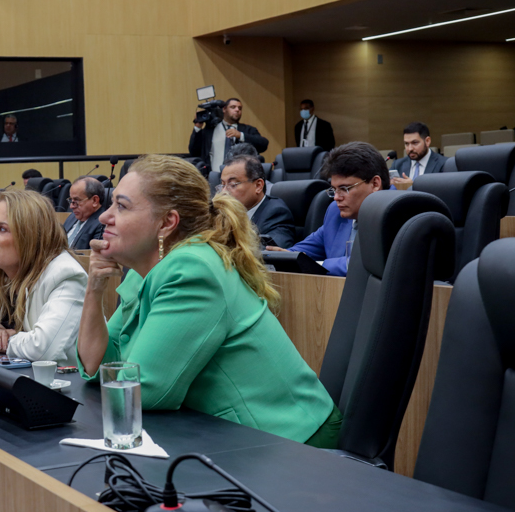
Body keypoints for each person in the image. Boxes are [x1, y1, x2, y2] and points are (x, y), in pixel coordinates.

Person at [77, 154, 339, 446]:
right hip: (226, 439)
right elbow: (95, 365)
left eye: (121, 206)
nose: (104, 217)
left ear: (167, 223)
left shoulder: (191, 267)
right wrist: (95, 287)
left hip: (291, 442)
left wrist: (114, 373)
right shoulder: (145, 271)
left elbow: (143, 391)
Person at [0, 190, 87, 363]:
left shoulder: (66, 276)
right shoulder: (6, 274)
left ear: (29, 236)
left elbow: (43, 349)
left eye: (2, 229)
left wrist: (9, 341)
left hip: (65, 385)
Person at [278, 142, 389, 277]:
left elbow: (365, 265)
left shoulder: (395, 213)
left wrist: (317, 265)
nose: (336, 197)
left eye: (344, 189)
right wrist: (279, 257)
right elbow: (301, 252)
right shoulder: (335, 212)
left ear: (375, 184)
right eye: (334, 189)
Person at [219, 154, 294, 248]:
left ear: (258, 186)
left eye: (233, 184)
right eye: (222, 185)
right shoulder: (222, 212)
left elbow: (271, 252)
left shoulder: (276, 213)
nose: (224, 192)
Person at [189, 98, 269, 172]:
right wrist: (197, 127)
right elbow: (194, 151)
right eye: (233, 107)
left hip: (238, 176)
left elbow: (263, 144)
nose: (237, 110)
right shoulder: (210, 130)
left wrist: (241, 135)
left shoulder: (247, 130)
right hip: (213, 175)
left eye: (240, 108)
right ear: (224, 109)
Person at [391, 122, 446, 189]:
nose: (410, 148)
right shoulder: (397, 165)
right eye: (406, 144)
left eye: (415, 143)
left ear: (427, 141)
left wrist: (412, 186)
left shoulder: (444, 164)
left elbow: (443, 192)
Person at [63, 176, 106, 251]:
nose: (71, 206)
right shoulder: (72, 217)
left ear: (95, 201)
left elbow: (90, 257)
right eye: (71, 200)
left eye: (76, 201)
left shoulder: (103, 223)